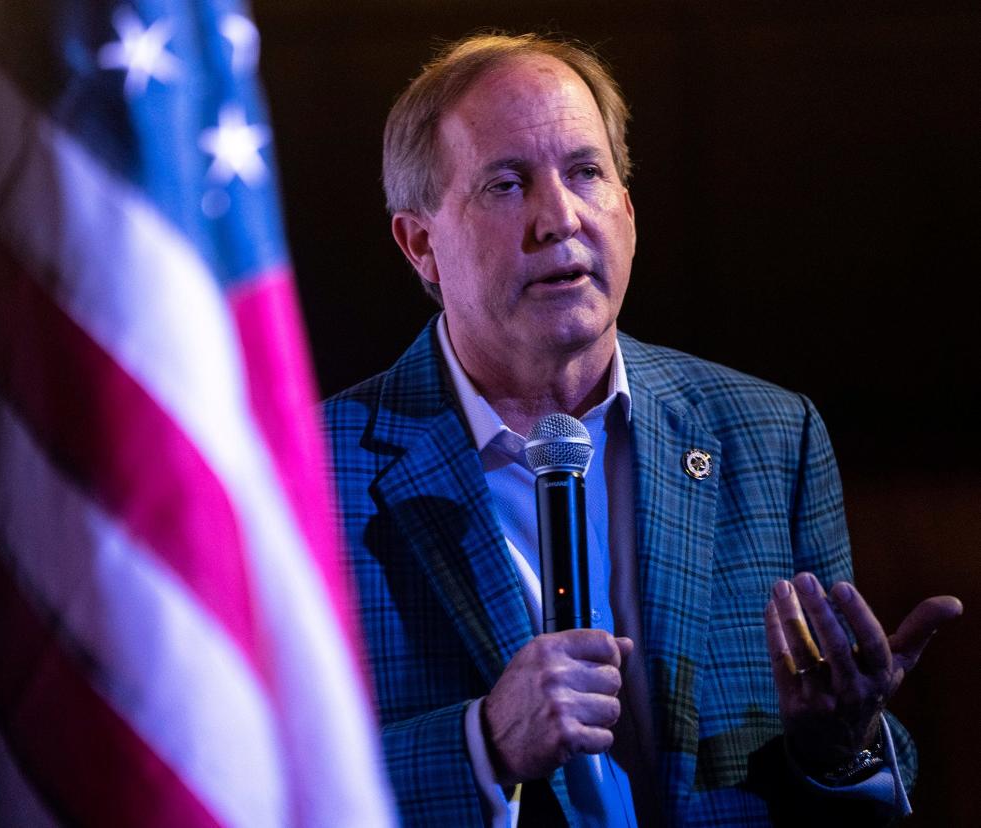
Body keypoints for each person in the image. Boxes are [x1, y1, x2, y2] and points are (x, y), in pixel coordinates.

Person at [323, 33, 963, 827]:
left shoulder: (771, 438)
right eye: (507, 184)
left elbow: (849, 786)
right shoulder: (311, 476)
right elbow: (246, 784)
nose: (559, 219)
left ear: (627, 208)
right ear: (420, 243)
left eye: (586, 173)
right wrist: (484, 746)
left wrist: (839, 749)